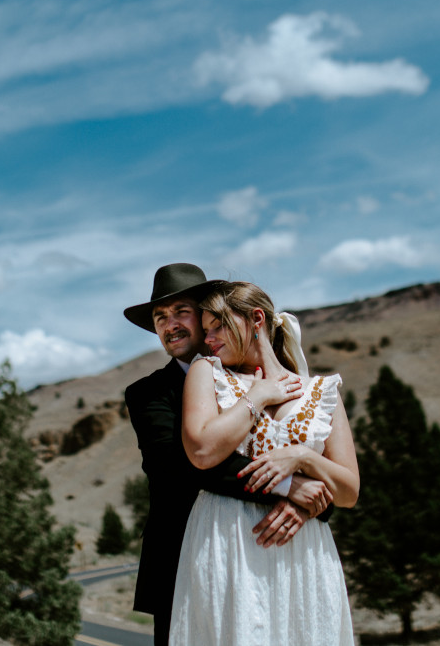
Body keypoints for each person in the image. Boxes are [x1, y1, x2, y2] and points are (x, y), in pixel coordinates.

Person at [123, 264, 334, 646]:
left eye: (180, 312)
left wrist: (312, 503)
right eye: (160, 317)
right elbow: (181, 466)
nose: (170, 325)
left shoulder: (264, 380)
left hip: (268, 555)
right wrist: (288, 486)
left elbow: (308, 449)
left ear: (206, 318)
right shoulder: (148, 393)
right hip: (185, 557)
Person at [171, 280, 359, 646]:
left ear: (256, 319)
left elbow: (349, 491)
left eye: (218, 326)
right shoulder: (207, 373)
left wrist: (302, 456)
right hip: (229, 544)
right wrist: (256, 397)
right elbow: (202, 452)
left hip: (305, 555)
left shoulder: (321, 392)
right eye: (205, 330)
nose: (208, 339)